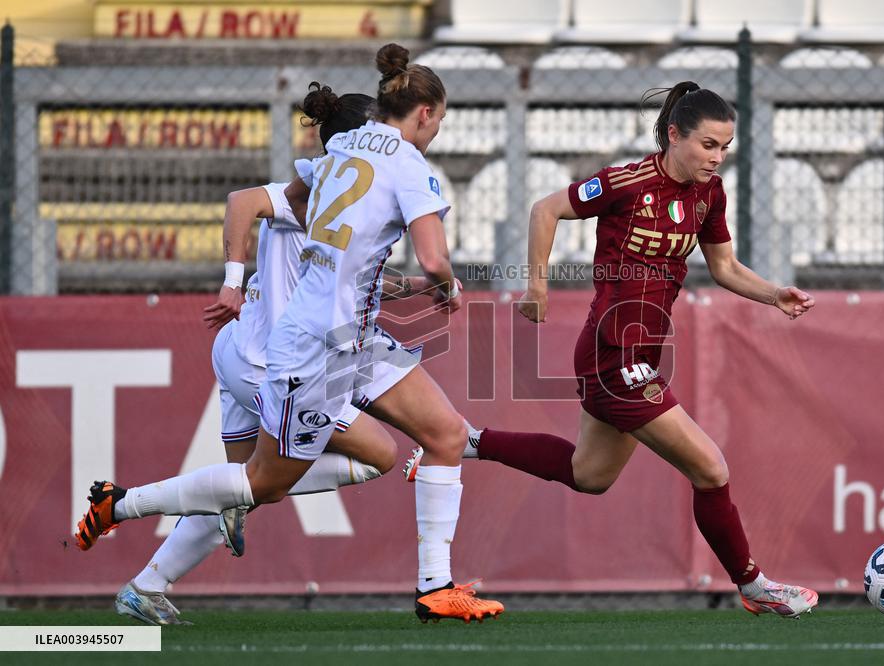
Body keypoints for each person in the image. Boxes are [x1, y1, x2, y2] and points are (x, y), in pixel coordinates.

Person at [75, 45, 504, 625]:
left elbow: (313, 222)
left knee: (444, 434)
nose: (437, 131)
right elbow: (432, 258)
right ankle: (122, 504)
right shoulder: (406, 164)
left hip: (344, 338)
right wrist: (448, 285)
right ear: (424, 112)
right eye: (440, 120)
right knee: (260, 484)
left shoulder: (343, 149)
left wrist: (388, 280)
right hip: (307, 350)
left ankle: (436, 586)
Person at [409, 82, 819, 618]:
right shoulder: (625, 183)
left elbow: (724, 267)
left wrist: (774, 295)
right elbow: (545, 210)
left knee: (590, 475)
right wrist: (537, 288)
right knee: (711, 469)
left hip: (642, 355)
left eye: (725, 147)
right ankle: (754, 584)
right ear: (674, 135)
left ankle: (467, 440)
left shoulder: (709, 194)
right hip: (613, 356)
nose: (718, 158)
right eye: (708, 145)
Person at [110, 84, 426, 626]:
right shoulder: (314, 191)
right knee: (375, 454)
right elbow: (243, 201)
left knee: (237, 487)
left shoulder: (341, 203)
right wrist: (232, 281)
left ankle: (146, 587)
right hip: (269, 362)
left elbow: (356, 283)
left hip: (245, 348)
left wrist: (422, 286)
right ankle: (121, 503)